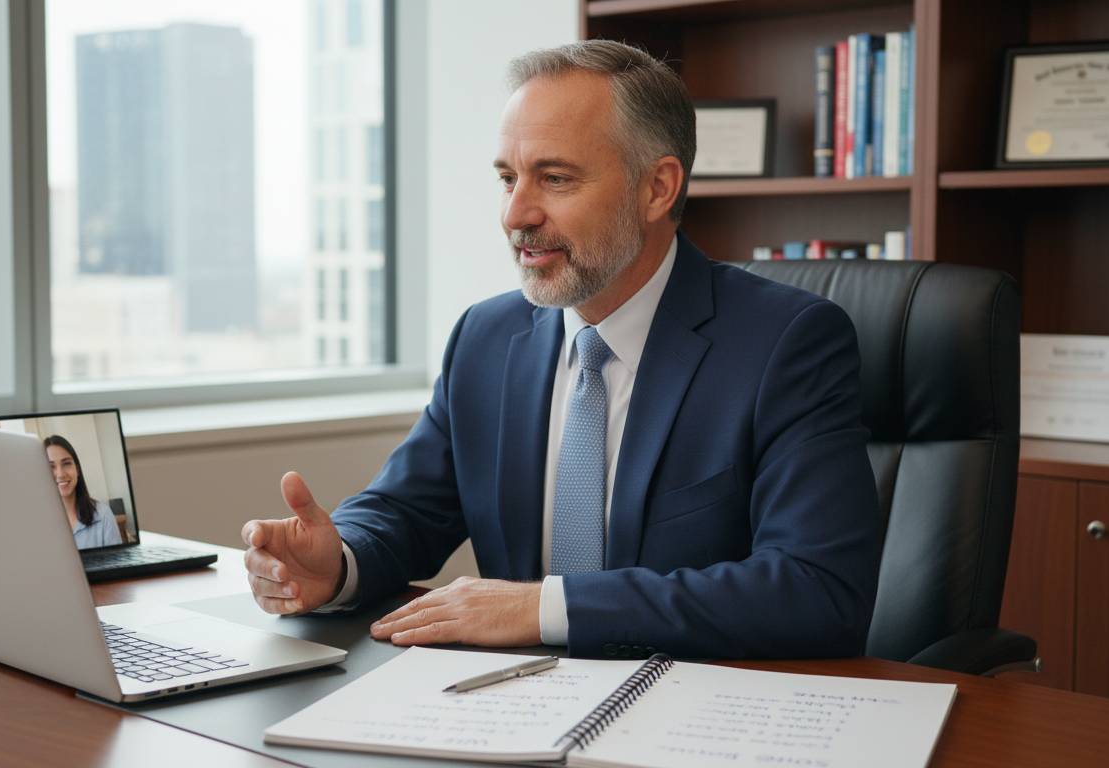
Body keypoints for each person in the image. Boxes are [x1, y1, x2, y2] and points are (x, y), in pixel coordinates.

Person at [243, 40, 883, 660]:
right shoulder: (486, 337)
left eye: (554, 178)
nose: (515, 214)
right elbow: (405, 510)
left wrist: (542, 608)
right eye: (506, 178)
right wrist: (339, 561)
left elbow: (817, 591)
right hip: (511, 708)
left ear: (657, 188)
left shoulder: (786, 342)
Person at [44, 435, 122, 550]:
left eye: (66, 464)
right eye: (51, 467)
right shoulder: (36, 524)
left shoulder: (103, 515)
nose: (60, 474)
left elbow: (117, 565)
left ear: (77, 469)